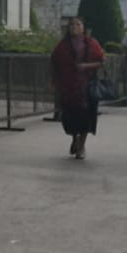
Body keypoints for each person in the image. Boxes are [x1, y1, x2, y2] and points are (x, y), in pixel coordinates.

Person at [48, 16, 105, 160]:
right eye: (72, 24)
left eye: (78, 24)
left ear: (83, 27)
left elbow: (101, 61)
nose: (75, 27)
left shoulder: (91, 43)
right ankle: (75, 138)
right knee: (70, 117)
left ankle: (82, 146)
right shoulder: (63, 45)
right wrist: (53, 82)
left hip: (87, 87)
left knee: (86, 117)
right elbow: (54, 62)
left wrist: (86, 66)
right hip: (68, 88)